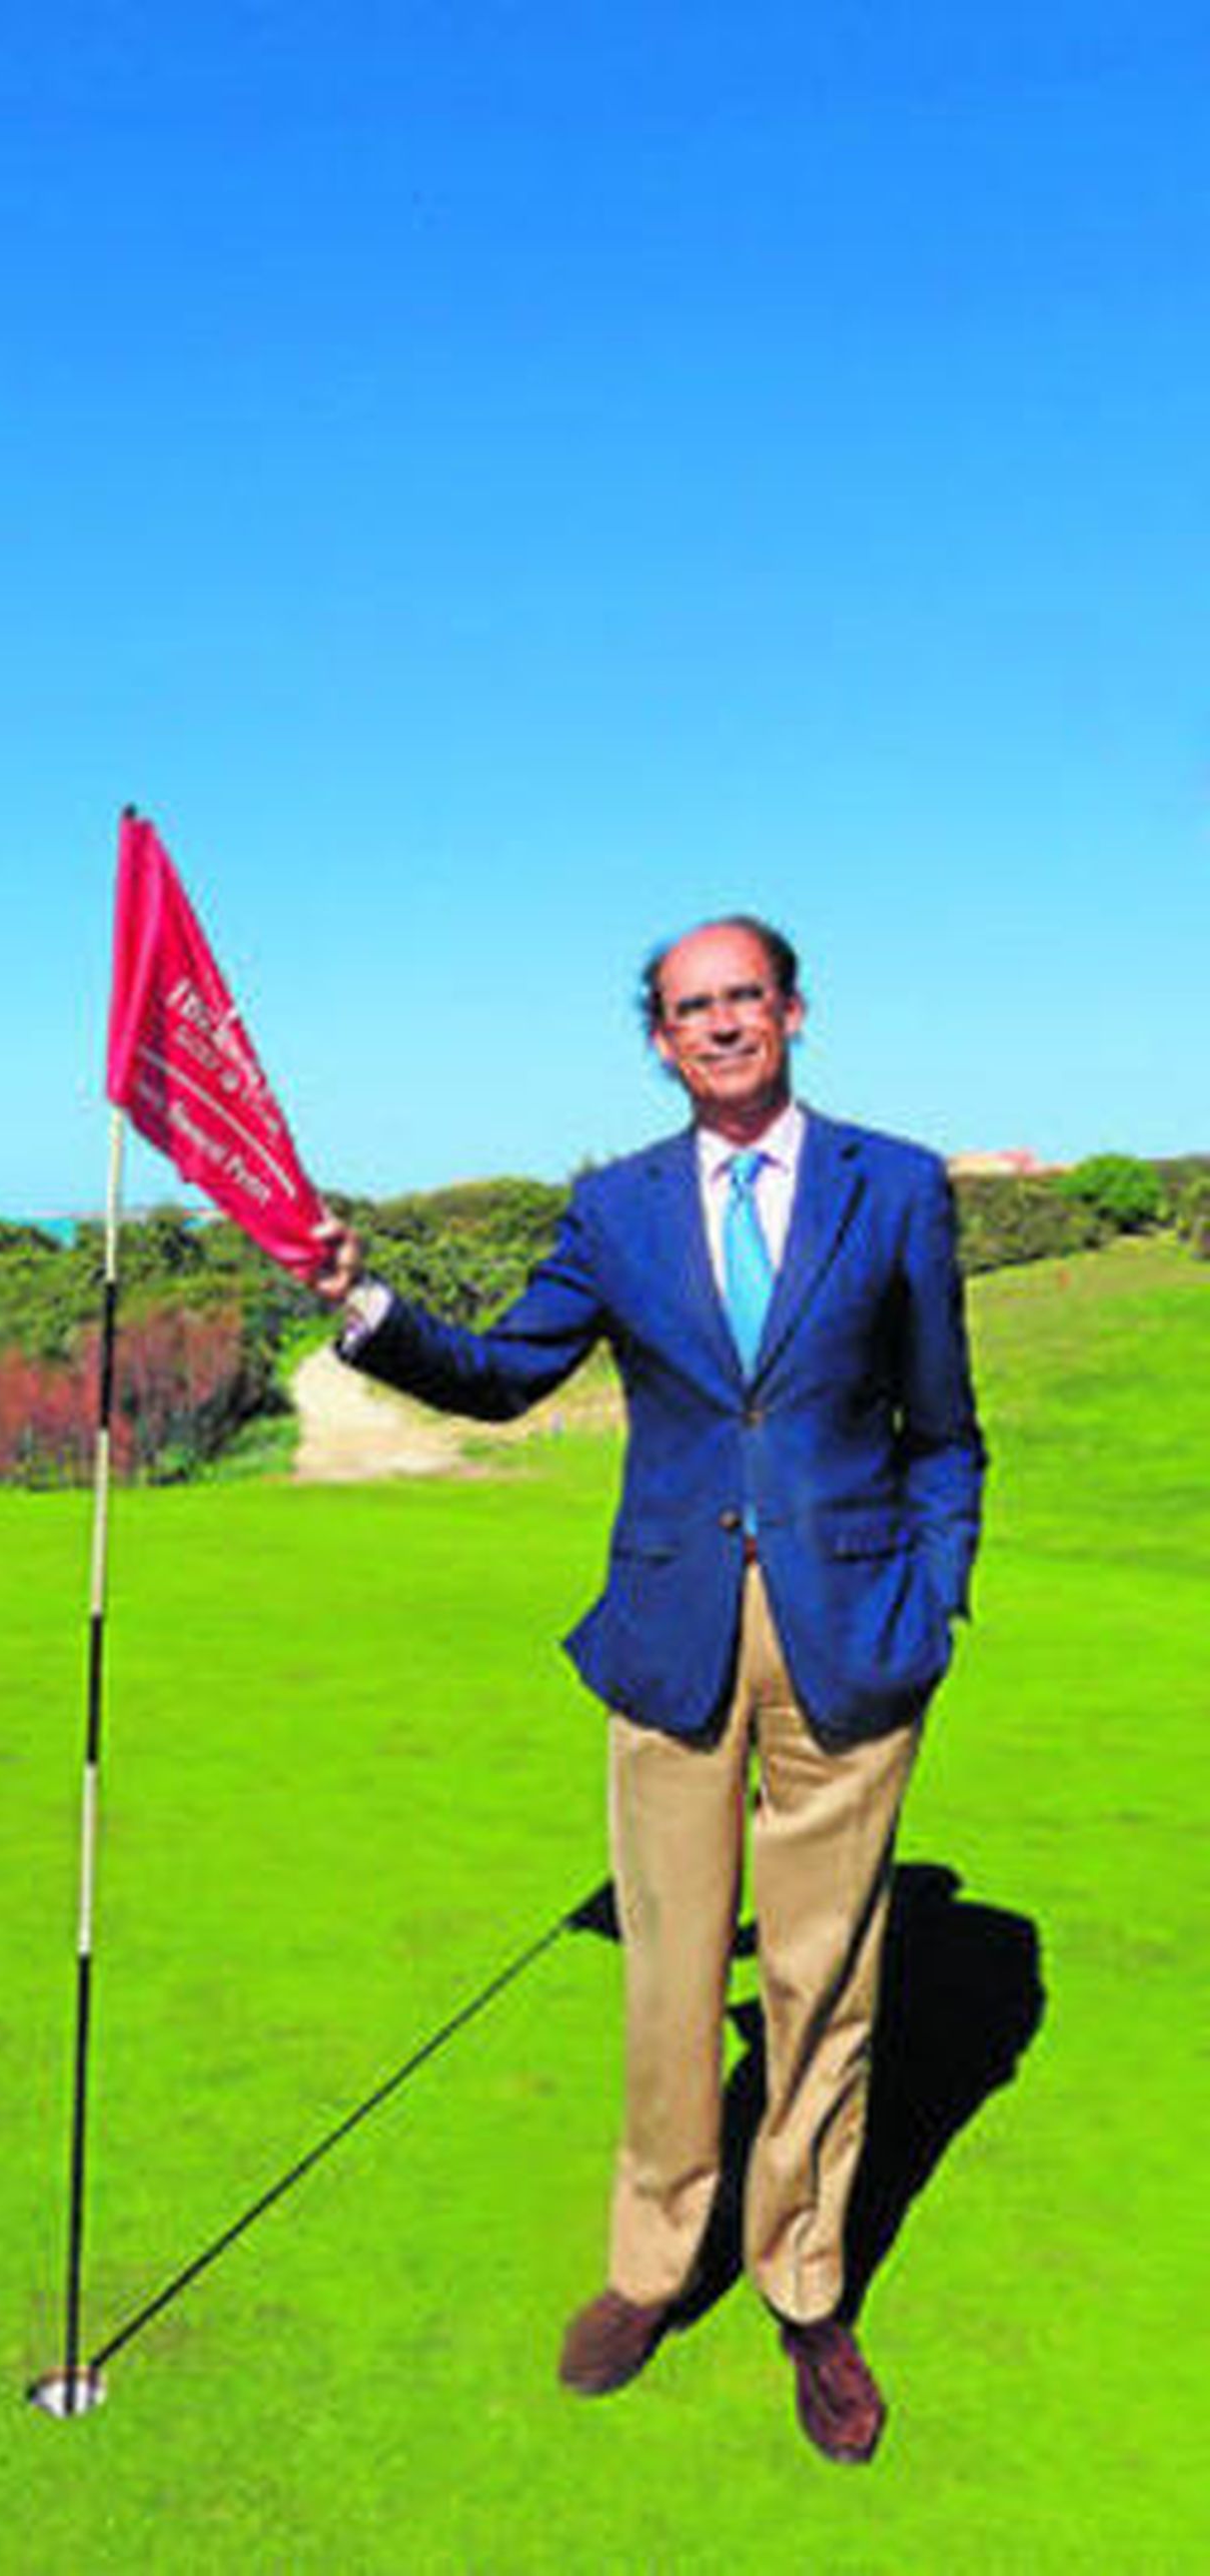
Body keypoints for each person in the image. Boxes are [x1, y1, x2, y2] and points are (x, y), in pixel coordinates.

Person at [312, 915, 985, 2465]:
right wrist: (366, 1307)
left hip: (851, 1637)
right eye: (692, 1008)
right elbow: (506, 1374)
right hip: (672, 1635)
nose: (723, 1023)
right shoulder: (614, 1207)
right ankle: (650, 2271)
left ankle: (806, 2289)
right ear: (661, 1041)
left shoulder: (896, 1184)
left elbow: (945, 1429)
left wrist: (931, 1597)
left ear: (793, 1012)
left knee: (825, 1985)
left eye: (746, 995)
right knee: (674, 1979)